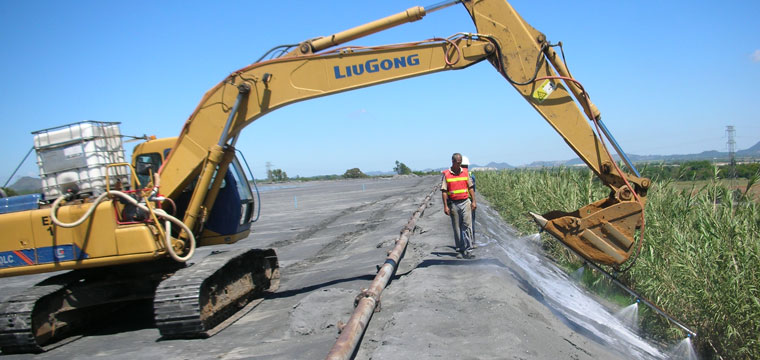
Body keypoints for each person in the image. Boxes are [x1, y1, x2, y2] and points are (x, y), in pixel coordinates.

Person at [441, 153, 477, 259]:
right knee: (457, 228)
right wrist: (445, 206)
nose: (459, 164)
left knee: (467, 226)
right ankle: (460, 250)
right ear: (453, 162)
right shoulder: (447, 174)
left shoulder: (465, 173)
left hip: (465, 202)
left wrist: (474, 201)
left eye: (461, 162)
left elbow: (470, 187)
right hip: (453, 204)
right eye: (458, 163)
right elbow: (444, 191)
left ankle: (469, 250)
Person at [460, 155, 477, 248]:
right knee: (470, 223)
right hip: (468, 201)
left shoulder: (466, 175)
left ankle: (464, 243)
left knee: (462, 224)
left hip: (464, 201)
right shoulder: (471, 175)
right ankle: (471, 242)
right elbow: (474, 190)